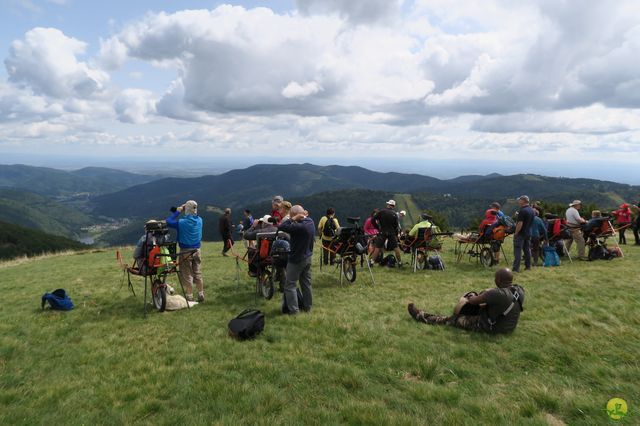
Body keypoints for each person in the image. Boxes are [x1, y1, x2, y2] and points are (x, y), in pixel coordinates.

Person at [407, 268, 524, 334]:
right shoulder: (519, 291)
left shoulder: (496, 293)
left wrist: (467, 297)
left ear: (498, 280)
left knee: (452, 319)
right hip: (507, 328)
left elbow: (473, 301)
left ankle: (421, 316)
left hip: (491, 327)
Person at [278, 205, 315, 314]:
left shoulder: (299, 227)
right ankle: (308, 307)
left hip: (296, 259)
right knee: (306, 284)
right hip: (308, 257)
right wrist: (300, 215)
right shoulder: (310, 222)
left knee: (290, 285)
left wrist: (292, 218)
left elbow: (282, 226)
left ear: (296, 216)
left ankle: (294, 311)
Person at [166, 200, 204, 302]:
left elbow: (168, 221)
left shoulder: (181, 222)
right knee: (197, 272)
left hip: (185, 250)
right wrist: (188, 210)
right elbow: (193, 215)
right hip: (197, 249)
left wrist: (178, 211)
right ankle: (201, 293)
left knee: (187, 273)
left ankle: (190, 296)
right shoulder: (200, 220)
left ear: (186, 209)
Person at [371, 200, 403, 266]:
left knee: (378, 247)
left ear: (388, 205)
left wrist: (377, 227)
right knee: (396, 247)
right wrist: (396, 234)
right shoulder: (394, 214)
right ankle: (399, 262)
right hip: (391, 232)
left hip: (382, 231)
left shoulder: (382, 212)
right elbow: (396, 226)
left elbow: (373, 219)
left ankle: (372, 262)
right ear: (393, 206)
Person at [512, 195, 534, 272]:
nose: (518, 201)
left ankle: (515, 269)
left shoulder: (522, 211)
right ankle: (528, 267)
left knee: (518, 250)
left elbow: (520, 223)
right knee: (527, 250)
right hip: (528, 232)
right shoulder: (531, 210)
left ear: (523, 201)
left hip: (521, 234)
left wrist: (516, 233)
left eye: (519, 200)